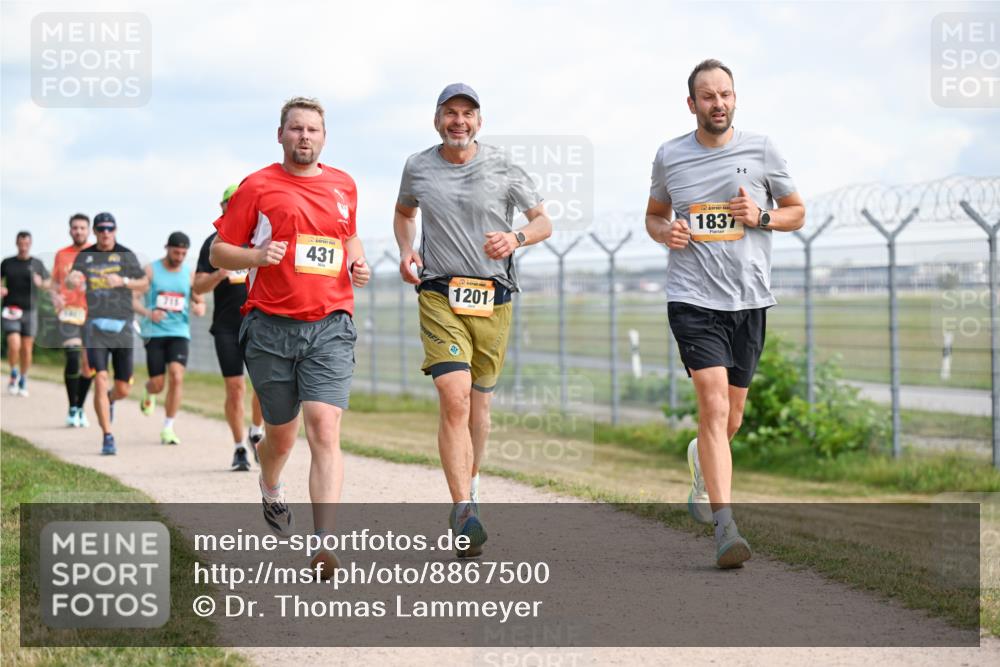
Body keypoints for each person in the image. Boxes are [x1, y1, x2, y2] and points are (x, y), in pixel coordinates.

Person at [645, 59, 805, 568]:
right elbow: (654, 215)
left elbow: (797, 211)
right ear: (691, 104)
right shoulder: (671, 156)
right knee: (713, 406)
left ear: (735, 99)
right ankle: (725, 527)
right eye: (708, 96)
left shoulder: (762, 149)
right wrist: (664, 231)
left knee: (730, 417)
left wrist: (760, 216)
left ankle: (701, 464)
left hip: (749, 300)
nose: (719, 103)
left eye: (726, 95)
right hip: (693, 298)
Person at [210, 97, 370, 577]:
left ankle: (324, 542)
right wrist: (256, 258)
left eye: (313, 130)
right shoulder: (256, 187)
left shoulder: (344, 185)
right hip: (270, 328)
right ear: (280, 134)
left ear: (324, 136)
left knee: (324, 426)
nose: (305, 136)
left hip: (330, 325)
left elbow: (348, 237)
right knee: (281, 436)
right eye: (296, 128)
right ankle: (271, 484)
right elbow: (220, 252)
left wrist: (358, 263)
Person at [393, 83, 551, 557]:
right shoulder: (418, 166)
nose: (458, 121)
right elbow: (404, 213)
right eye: (450, 113)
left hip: (493, 299)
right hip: (440, 292)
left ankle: (472, 485)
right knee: (453, 396)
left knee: (479, 408)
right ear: (436, 120)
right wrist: (407, 251)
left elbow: (543, 222)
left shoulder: (503, 164)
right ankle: (462, 509)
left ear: (479, 122)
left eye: (467, 114)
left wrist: (516, 239)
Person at [194, 184, 265, 472]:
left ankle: (256, 430)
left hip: (259, 323)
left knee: (263, 385)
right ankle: (239, 449)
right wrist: (218, 275)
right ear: (222, 206)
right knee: (235, 388)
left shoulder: (258, 239)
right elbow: (197, 287)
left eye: (239, 202)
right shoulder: (214, 243)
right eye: (229, 202)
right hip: (226, 326)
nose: (233, 206)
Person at [68, 212, 149, 455]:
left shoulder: (126, 254)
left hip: (122, 325)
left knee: (123, 389)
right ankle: (107, 435)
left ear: (115, 230)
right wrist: (73, 279)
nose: (105, 233)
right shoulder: (86, 255)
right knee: (100, 380)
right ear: (95, 231)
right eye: (101, 229)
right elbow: (73, 278)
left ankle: (111, 399)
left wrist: (123, 281)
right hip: (94, 326)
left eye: (109, 228)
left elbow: (143, 283)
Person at [134, 232, 206, 445]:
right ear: (167, 248)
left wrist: (198, 307)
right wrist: (149, 313)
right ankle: (149, 391)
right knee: (158, 384)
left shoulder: (189, 274)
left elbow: (199, 299)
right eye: (176, 252)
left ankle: (168, 427)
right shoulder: (151, 270)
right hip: (154, 333)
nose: (180, 256)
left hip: (179, 333)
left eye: (184, 253)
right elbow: (133, 300)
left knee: (176, 376)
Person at [50, 213, 94, 426]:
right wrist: (55, 297)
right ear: (70, 230)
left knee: (89, 364)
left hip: (92, 314)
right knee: (73, 357)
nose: (78, 231)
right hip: (69, 313)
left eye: (82, 228)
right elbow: (54, 285)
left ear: (89, 230)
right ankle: (71, 407)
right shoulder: (61, 255)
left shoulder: (96, 254)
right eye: (75, 228)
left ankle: (80, 407)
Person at [2, 231, 51, 397]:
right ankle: (13, 373)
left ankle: (23, 377)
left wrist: (41, 283)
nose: (23, 247)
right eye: (21, 244)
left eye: (26, 244)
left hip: (30, 310)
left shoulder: (37, 263)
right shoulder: (7, 263)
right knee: (14, 343)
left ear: (30, 244)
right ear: (17, 244)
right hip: (11, 309)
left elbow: (48, 282)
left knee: (26, 348)